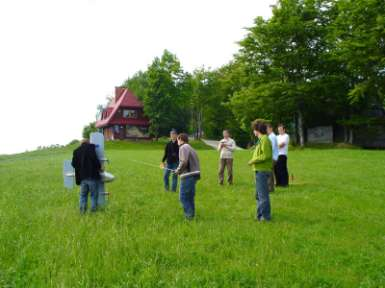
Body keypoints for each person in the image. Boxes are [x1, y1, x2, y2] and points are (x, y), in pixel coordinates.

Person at [248, 120, 273, 222]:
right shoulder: (261, 139)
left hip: (262, 170)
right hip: (259, 170)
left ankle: (265, 217)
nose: (253, 131)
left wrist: (253, 160)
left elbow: (266, 155)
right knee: (258, 195)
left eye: (254, 129)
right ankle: (259, 216)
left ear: (257, 130)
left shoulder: (265, 139)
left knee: (263, 195)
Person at [174, 133, 201, 220]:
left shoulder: (183, 147)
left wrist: (178, 171)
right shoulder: (190, 147)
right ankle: (191, 216)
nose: (177, 142)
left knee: (183, 197)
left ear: (181, 139)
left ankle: (189, 217)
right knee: (190, 197)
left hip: (188, 175)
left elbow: (184, 162)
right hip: (194, 174)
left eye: (177, 139)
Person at [71, 138, 102, 214]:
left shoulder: (76, 151)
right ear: (88, 142)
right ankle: (93, 212)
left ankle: (82, 212)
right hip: (92, 176)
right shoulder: (91, 148)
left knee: (83, 195)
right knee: (93, 195)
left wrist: (81, 168)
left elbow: (73, 164)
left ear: (81, 143)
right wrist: (99, 167)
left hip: (82, 178)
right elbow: (95, 160)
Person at [267, 123, 279, 192]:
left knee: (269, 173)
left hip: (272, 157)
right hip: (273, 157)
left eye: (267, 129)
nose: (266, 130)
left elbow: (272, 147)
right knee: (270, 172)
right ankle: (271, 188)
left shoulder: (272, 136)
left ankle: (270, 188)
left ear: (271, 128)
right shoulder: (271, 136)